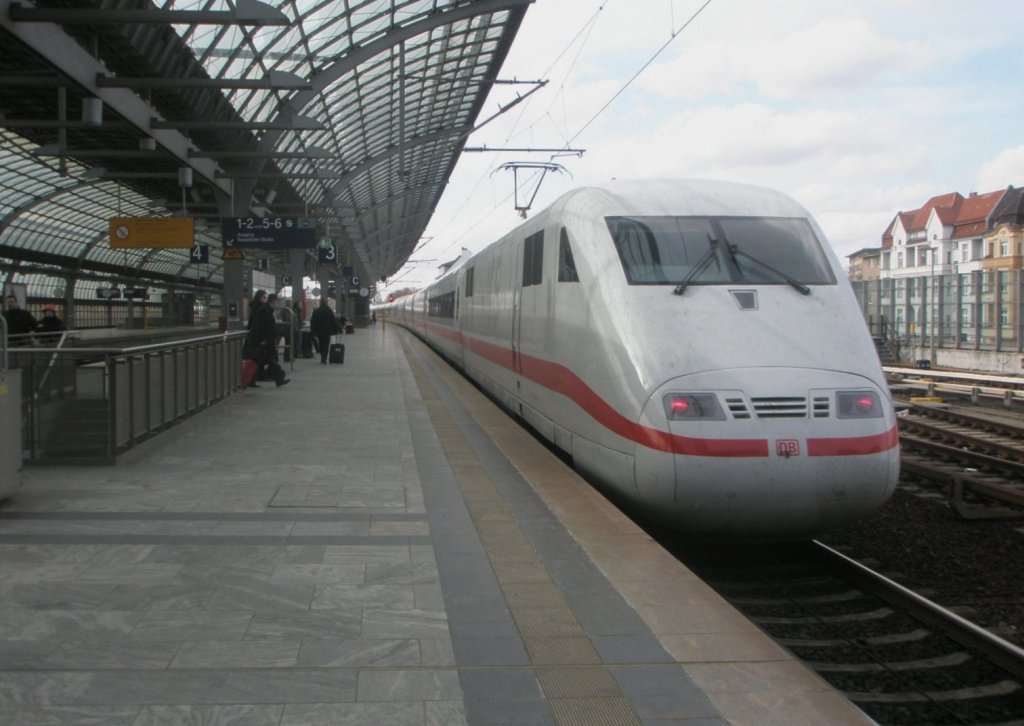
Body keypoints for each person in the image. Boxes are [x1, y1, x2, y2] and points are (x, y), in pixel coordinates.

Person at [245, 291, 289, 387]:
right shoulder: (265, 310)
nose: (277, 304)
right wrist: (262, 340)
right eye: (277, 302)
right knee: (262, 361)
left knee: (267, 361)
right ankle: (248, 379)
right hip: (263, 341)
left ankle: (278, 379)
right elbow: (260, 327)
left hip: (265, 341)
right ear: (273, 301)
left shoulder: (266, 310)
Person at [309, 298, 341, 364]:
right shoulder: (329, 311)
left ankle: (322, 356)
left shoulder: (316, 311)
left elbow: (313, 322)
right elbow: (333, 321)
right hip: (327, 331)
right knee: (326, 344)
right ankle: (324, 358)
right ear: (326, 303)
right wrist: (338, 329)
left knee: (321, 343)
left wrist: (313, 331)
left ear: (320, 303)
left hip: (319, 331)